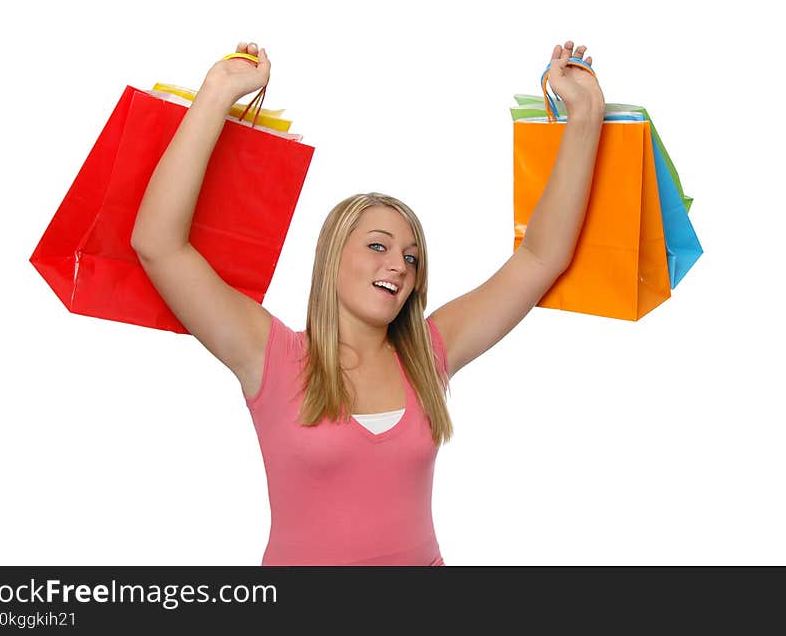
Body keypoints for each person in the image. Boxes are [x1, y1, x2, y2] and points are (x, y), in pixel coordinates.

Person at [130, 39, 606, 566]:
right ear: (332, 258)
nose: (398, 265)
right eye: (377, 245)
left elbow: (541, 257)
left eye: (411, 256)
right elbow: (158, 245)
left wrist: (585, 117)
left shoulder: (428, 354)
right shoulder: (269, 354)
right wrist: (219, 91)